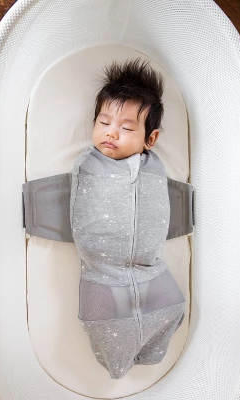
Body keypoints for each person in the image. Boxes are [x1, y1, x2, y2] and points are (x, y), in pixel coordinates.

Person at [70, 58, 186, 379]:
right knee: (100, 321)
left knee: (174, 304)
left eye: (127, 128)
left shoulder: (153, 165)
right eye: (104, 122)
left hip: (150, 267)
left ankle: (152, 351)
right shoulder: (89, 164)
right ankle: (117, 364)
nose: (111, 132)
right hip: (102, 272)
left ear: (150, 139)